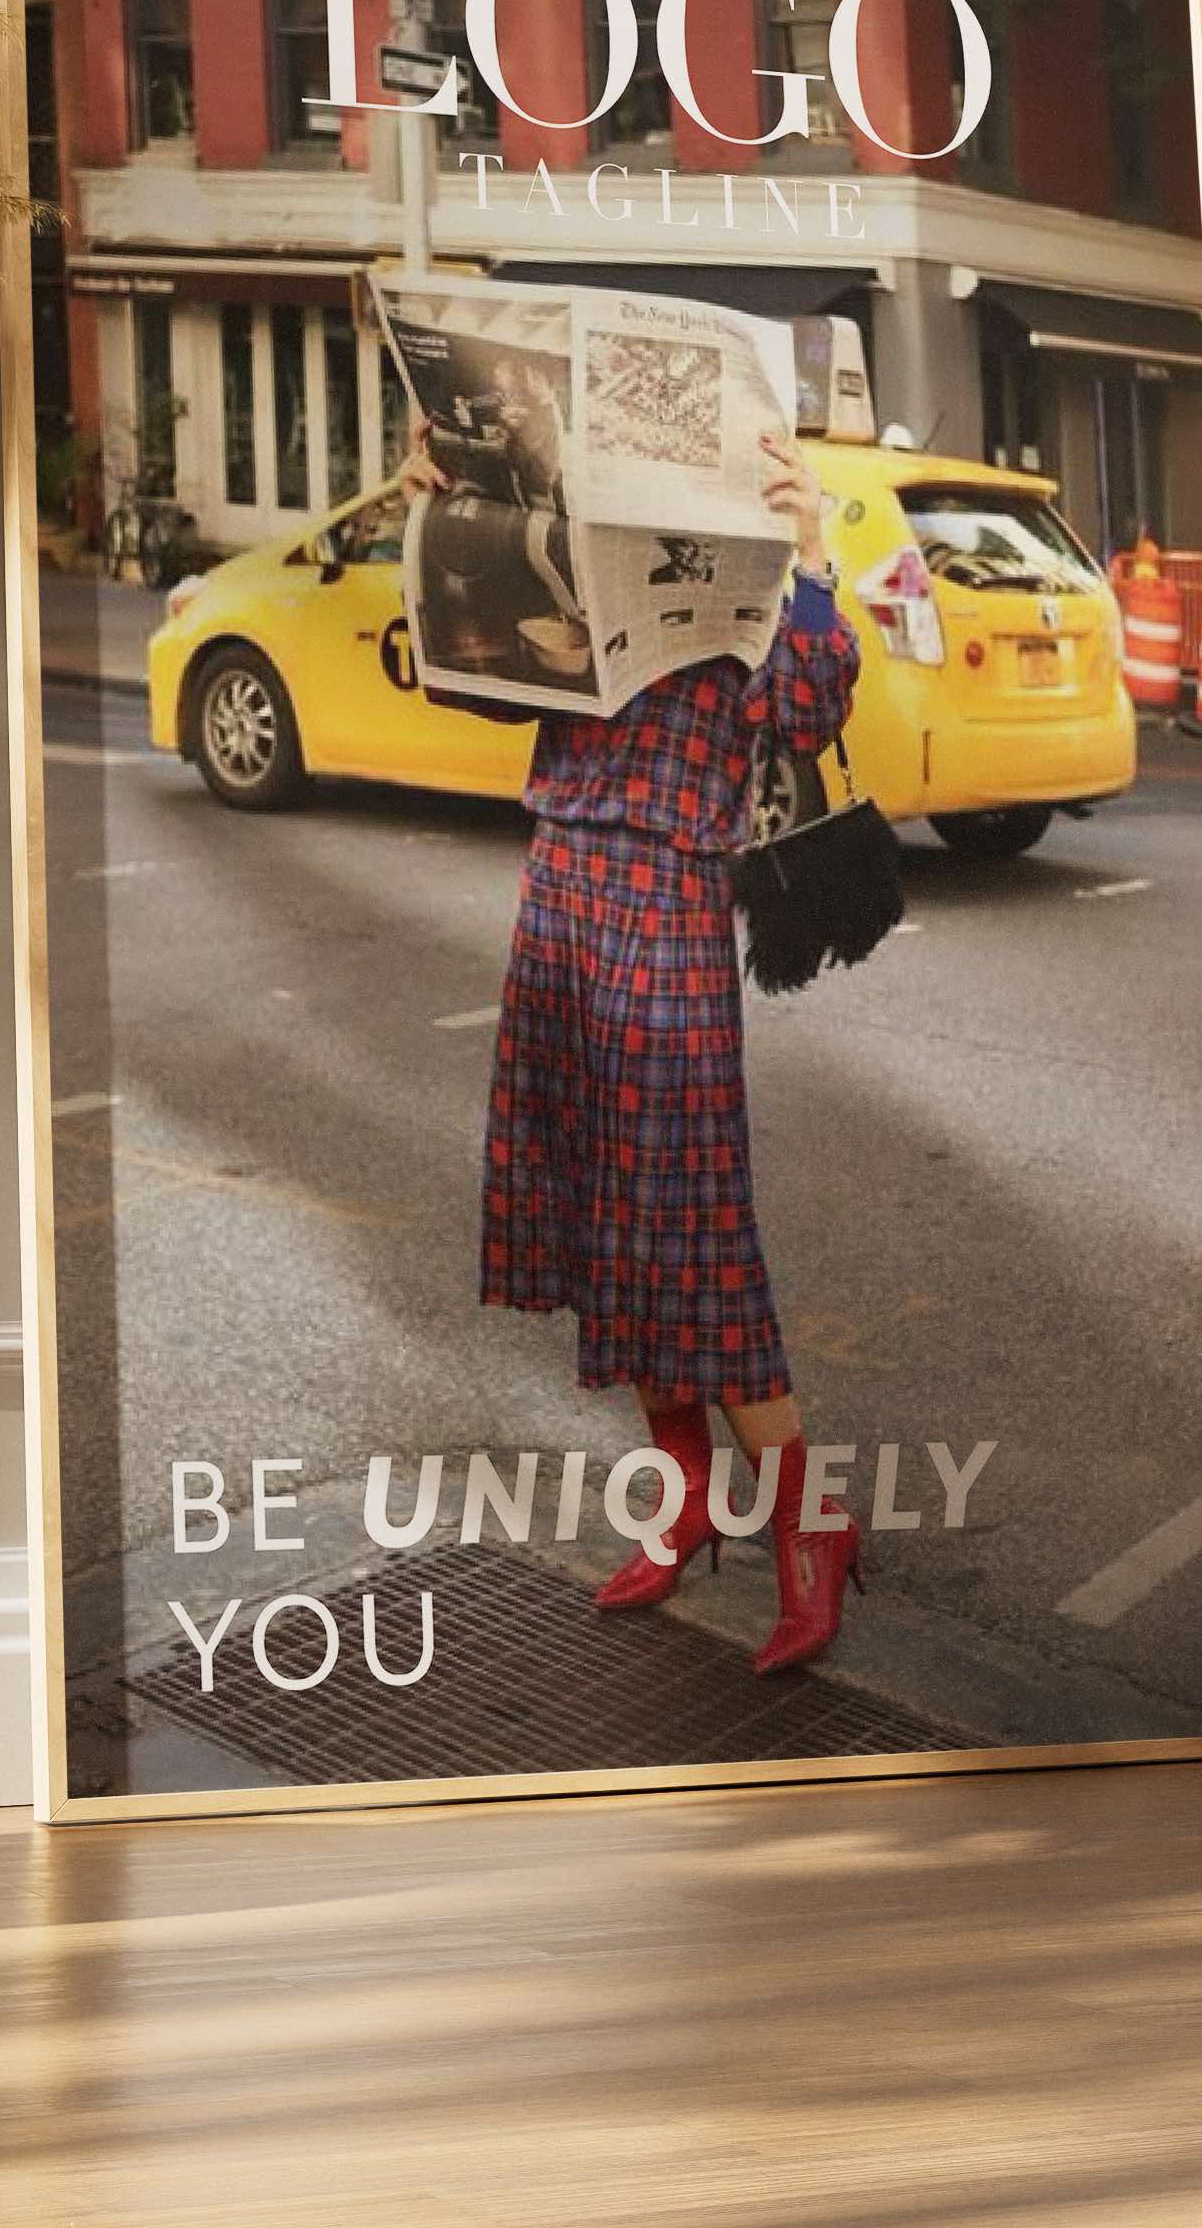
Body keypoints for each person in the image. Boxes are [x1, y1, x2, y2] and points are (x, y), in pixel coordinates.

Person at [397, 422, 865, 1674]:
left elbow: (809, 716)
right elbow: (467, 681)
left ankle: (813, 1536)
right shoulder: (581, 540)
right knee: (606, 1219)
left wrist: (810, 549)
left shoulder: (756, 561)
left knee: (694, 1245)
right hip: (559, 881)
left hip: (666, 895)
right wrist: (445, 528)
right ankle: (690, 1492)